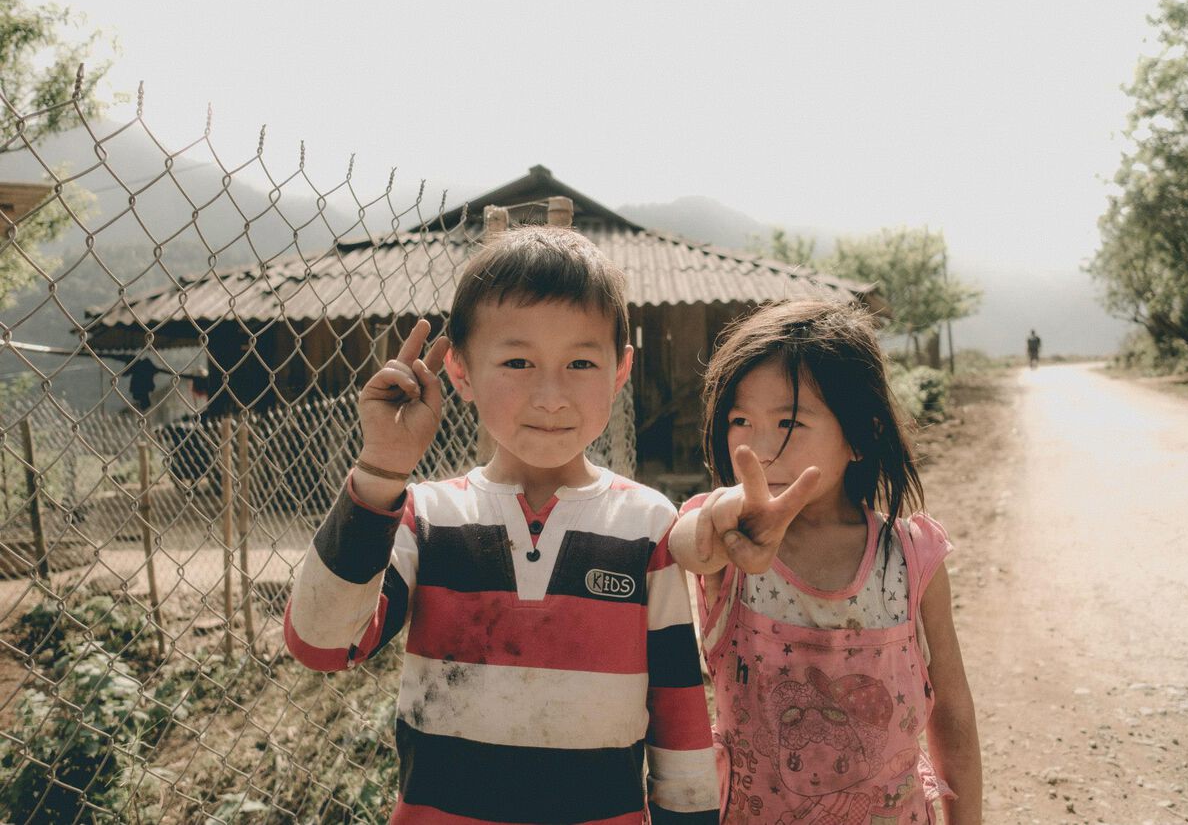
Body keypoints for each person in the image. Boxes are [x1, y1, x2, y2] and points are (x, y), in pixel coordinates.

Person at [285, 227, 719, 823]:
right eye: (518, 361)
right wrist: (381, 470)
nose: (551, 395)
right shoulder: (425, 516)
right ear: (460, 371)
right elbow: (322, 644)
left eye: (580, 362)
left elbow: (680, 719)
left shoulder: (648, 525)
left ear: (619, 372)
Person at [669, 299, 982, 824]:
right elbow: (688, 544)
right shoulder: (726, 540)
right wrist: (733, 513)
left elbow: (951, 709)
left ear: (861, 435)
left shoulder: (910, 555)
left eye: (788, 421)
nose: (759, 448)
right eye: (740, 420)